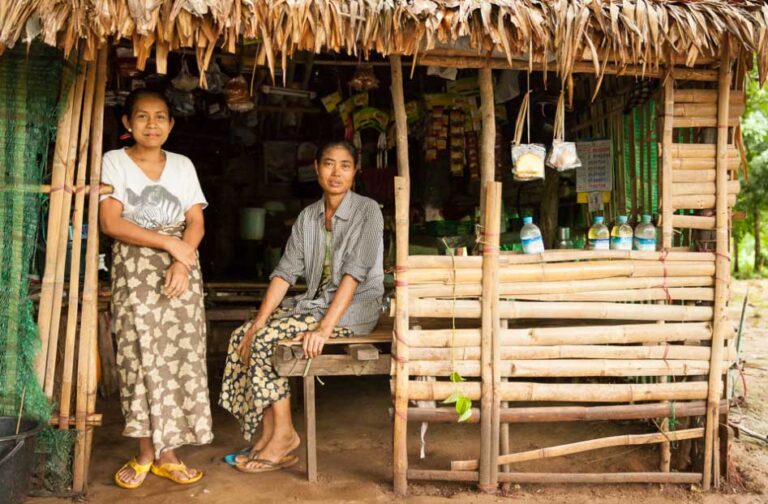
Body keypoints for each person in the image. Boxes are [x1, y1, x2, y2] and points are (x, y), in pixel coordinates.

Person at [219, 141, 384, 473]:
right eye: (329, 164)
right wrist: (259, 319)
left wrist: (324, 329)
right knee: (243, 336)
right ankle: (269, 434)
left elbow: (354, 275)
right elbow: (284, 273)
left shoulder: (368, 211)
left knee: (265, 340)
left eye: (345, 165)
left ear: (356, 171)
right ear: (316, 167)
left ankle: (284, 436)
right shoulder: (308, 217)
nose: (336, 173)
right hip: (315, 305)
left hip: (353, 309)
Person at [100, 89, 212, 489]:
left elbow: (195, 222)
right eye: (143, 116)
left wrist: (182, 260)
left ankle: (169, 455)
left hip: (182, 269)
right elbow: (111, 223)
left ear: (171, 124)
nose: (152, 125)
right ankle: (146, 452)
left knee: (180, 358)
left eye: (160, 117)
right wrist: (168, 244)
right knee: (140, 356)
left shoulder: (182, 165)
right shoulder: (113, 161)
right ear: (127, 123)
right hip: (135, 270)